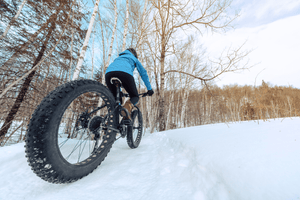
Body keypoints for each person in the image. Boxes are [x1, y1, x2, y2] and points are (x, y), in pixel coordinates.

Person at [105, 48, 154, 119]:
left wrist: (119, 92)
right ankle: (126, 110)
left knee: (116, 101)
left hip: (108, 74)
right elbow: (143, 73)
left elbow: (116, 71)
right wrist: (149, 89)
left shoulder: (118, 58)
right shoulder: (134, 58)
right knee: (135, 96)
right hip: (125, 74)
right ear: (134, 54)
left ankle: (110, 120)